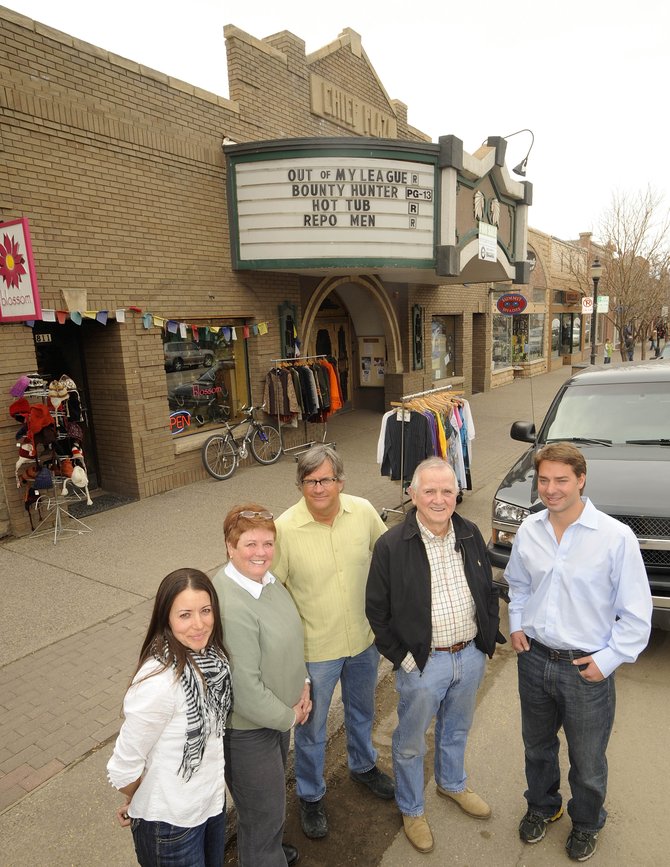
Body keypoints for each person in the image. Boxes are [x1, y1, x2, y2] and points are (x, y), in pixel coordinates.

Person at [505, 442, 652, 862]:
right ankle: (542, 807)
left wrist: (606, 661)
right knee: (537, 747)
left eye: (561, 480)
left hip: (586, 668)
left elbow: (637, 615)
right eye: (544, 480)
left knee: (587, 759)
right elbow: (518, 583)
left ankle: (587, 822)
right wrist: (517, 623)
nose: (551, 489)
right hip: (534, 659)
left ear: (581, 480)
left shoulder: (614, 537)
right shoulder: (530, 529)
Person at [366, 457, 504, 854]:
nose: (440, 499)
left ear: (457, 494)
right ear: (412, 494)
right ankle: (411, 808)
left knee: (457, 728)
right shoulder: (392, 544)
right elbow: (377, 610)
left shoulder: (470, 532)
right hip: (424, 664)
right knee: (410, 741)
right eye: (430, 491)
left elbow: (486, 587)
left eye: (448, 490)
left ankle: (452, 784)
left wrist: (488, 638)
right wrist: (405, 660)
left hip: (470, 655)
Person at [272, 444, 392, 840]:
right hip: (314, 651)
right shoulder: (284, 529)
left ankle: (363, 766)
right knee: (311, 729)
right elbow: (273, 595)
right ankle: (310, 794)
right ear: (300, 484)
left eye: (326, 479)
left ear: (341, 480)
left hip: (363, 640)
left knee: (362, 711)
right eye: (310, 481)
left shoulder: (363, 512)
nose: (319, 488)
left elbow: (391, 556)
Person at [107, 569, 231, 867]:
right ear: (166, 618)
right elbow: (123, 768)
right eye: (185, 615)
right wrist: (145, 799)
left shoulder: (213, 658)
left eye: (205, 611)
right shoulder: (158, 682)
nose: (199, 624)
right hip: (171, 825)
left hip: (211, 805)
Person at [213, 505, 310, 867]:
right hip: (249, 732)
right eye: (250, 543)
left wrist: (302, 683)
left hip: (277, 720)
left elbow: (290, 637)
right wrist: (288, 716)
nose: (261, 552)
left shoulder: (267, 583)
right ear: (230, 546)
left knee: (269, 807)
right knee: (262, 811)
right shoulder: (229, 603)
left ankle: (266, 850)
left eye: (268, 543)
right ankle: (263, 857)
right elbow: (245, 690)